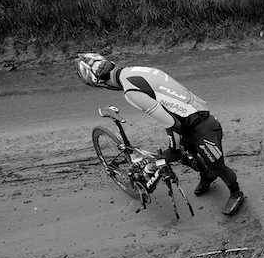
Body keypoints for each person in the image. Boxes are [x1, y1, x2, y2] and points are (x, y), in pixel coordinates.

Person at [76, 53, 245, 216]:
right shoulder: (134, 70)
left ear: (102, 83)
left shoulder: (131, 92)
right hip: (192, 114)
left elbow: (172, 124)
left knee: (216, 164)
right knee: (186, 156)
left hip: (201, 125)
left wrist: (172, 148)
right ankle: (206, 175)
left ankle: (236, 193)